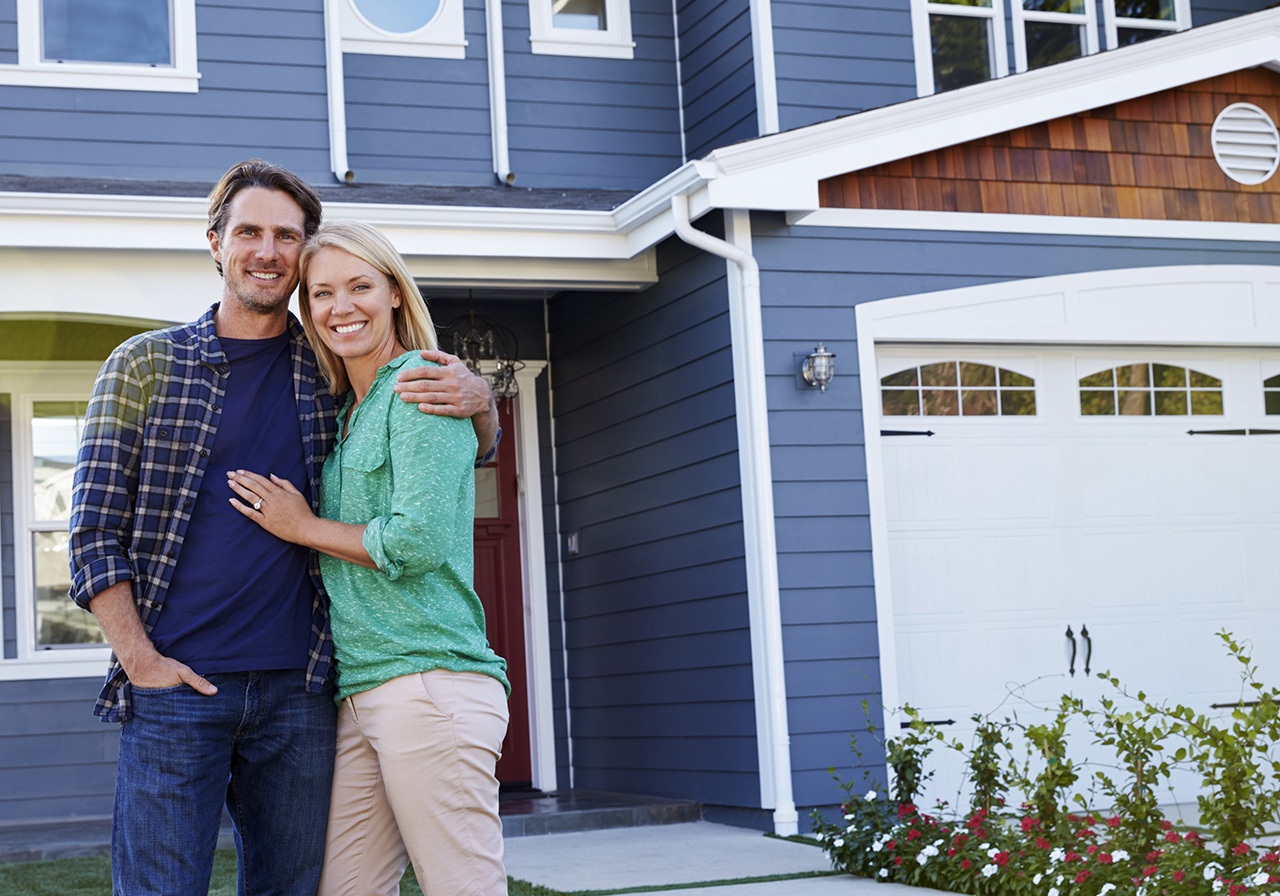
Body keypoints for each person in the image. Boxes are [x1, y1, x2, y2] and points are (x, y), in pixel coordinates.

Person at [68, 159, 499, 896]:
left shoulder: (330, 366)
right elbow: (92, 532)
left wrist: (481, 397)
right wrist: (140, 661)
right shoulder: (144, 366)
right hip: (178, 689)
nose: (267, 251)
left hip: (302, 695)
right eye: (249, 232)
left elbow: (438, 447)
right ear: (215, 243)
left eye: (286, 236)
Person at [226, 220, 510, 896]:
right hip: (362, 690)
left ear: (393, 295)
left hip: (429, 681)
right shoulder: (347, 409)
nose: (341, 307)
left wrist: (302, 526)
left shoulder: (419, 386)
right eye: (322, 294)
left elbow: (416, 541)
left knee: (462, 885)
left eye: (360, 287)